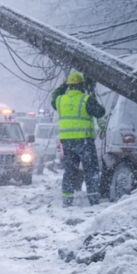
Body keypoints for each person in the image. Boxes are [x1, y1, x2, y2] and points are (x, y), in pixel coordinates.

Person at [51, 71, 106, 206]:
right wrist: (92, 92)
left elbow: (54, 96)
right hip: (84, 141)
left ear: (69, 85)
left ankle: (67, 199)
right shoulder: (86, 99)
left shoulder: (60, 100)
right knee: (90, 169)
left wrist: (64, 84)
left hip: (67, 142)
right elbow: (100, 112)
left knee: (69, 170)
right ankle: (93, 198)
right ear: (82, 85)